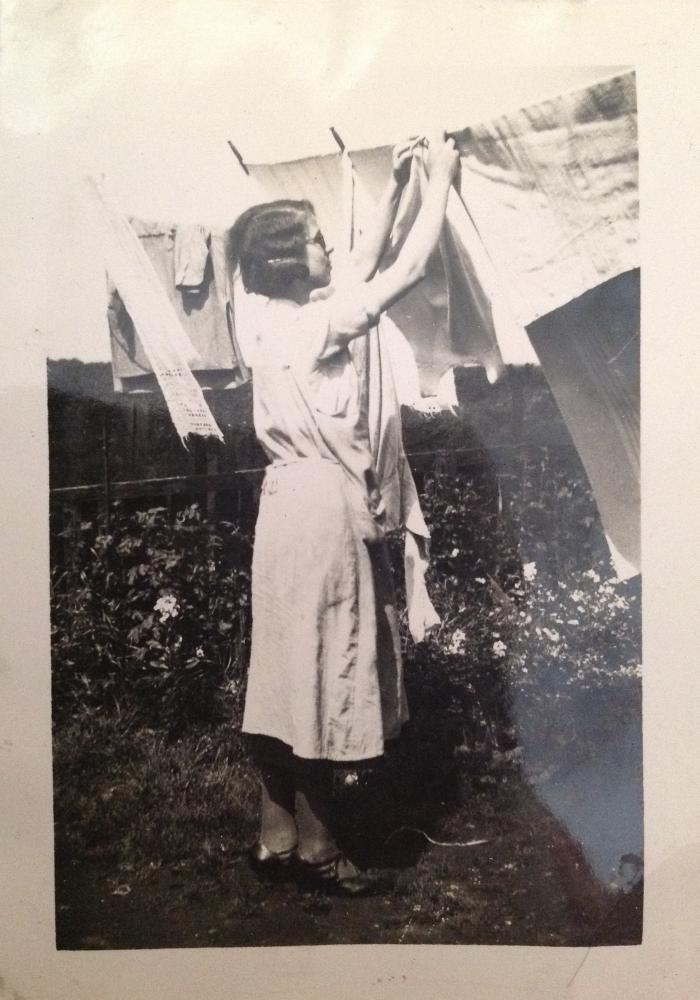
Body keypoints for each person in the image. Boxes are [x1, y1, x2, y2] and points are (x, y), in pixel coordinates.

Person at [226, 133, 459, 894]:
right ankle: (323, 847)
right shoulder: (318, 326)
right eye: (317, 241)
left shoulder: (264, 320)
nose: (331, 247)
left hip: (281, 503)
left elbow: (359, 263)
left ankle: (276, 831)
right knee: (328, 662)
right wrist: (441, 183)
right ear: (295, 264)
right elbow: (407, 269)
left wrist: (395, 190)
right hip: (325, 505)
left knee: (287, 663)